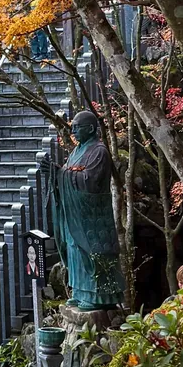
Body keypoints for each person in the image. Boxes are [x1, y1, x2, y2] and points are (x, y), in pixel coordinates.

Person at [54, 111, 123, 311]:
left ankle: (97, 296)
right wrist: (54, 172)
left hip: (93, 216)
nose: (73, 130)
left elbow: (90, 181)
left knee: (91, 253)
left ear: (91, 128)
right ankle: (79, 291)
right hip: (75, 213)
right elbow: (68, 173)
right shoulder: (77, 151)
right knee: (74, 248)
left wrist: (61, 173)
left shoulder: (99, 151)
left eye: (77, 126)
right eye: (72, 126)